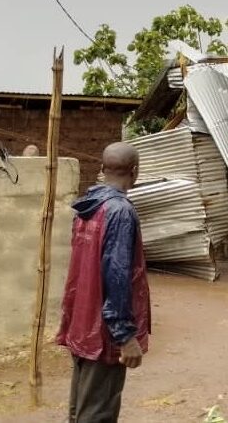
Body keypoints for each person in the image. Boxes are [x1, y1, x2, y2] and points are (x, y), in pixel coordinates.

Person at [56, 142, 151, 423]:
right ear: (135, 172)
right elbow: (118, 274)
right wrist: (124, 335)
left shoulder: (88, 208)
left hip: (82, 323)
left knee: (81, 411)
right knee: (97, 414)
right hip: (103, 333)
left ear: (101, 169)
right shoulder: (119, 211)